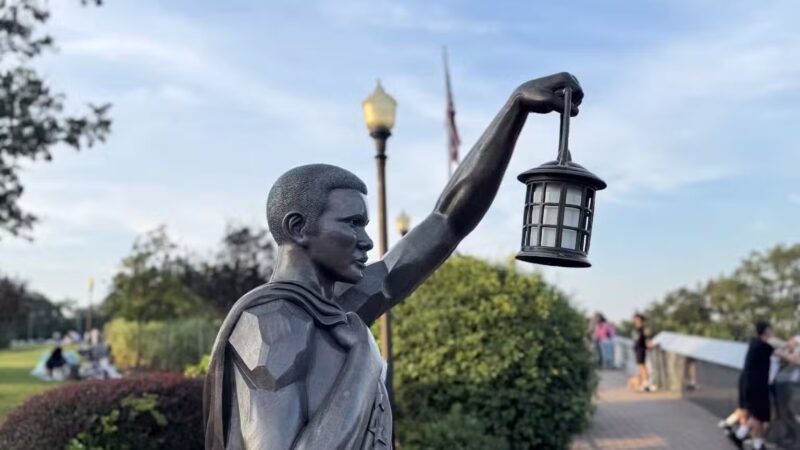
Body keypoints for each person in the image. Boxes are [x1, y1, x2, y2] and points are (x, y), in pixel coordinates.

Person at [203, 73, 585, 450]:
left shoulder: (336, 308)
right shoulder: (270, 324)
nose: (367, 240)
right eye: (353, 223)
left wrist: (514, 109)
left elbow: (447, 221)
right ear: (299, 228)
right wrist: (361, 362)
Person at [632, 313, 653, 392]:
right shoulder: (636, 328)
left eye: (635, 318)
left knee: (643, 366)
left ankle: (646, 383)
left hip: (642, 349)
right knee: (640, 366)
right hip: (637, 349)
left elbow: (648, 338)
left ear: (639, 319)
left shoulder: (644, 328)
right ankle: (644, 383)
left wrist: (649, 345)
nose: (634, 320)